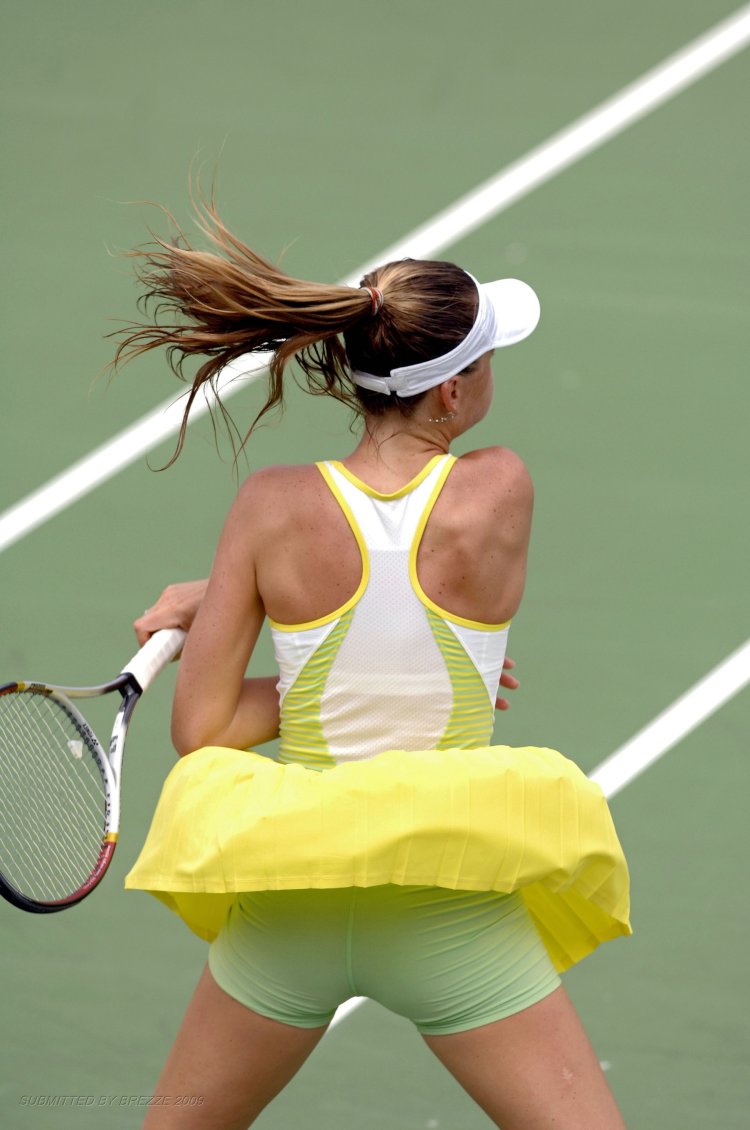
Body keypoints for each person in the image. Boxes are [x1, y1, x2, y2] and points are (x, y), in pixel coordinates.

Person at [117, 202, 631, 1130]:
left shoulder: (268, 510)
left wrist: (227, 595)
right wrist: (289, 621)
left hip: (290, 919)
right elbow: (416, 575)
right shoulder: (499, 487)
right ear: (449, 396)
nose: (490, 375)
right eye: (484, 359)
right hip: (449, 914)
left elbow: (201, 731)